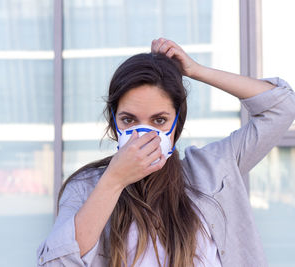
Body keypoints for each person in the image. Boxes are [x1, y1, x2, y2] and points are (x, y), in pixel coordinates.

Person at [37, 38, 295, 267]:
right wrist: (114, 180)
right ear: (114, 122)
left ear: (177, 123)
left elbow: (281, 107)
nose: (144, 134)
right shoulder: (86, 188)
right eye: (129, 120)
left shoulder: (213, 168)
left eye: (159, 120)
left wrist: (197, 71)